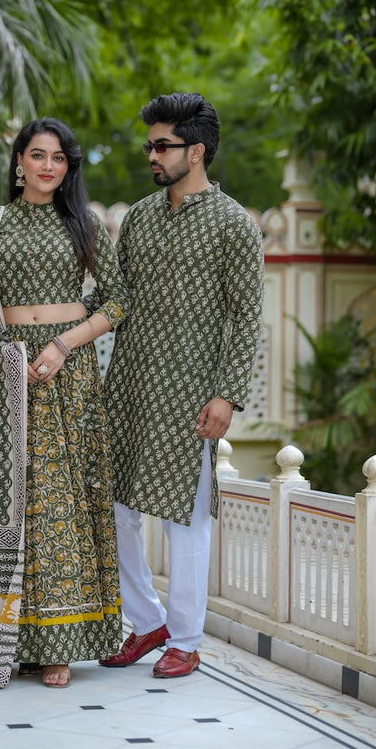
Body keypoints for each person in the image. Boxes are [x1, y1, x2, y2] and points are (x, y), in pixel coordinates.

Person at [0, 118, 129, 690]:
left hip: (67, 375)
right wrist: (4, 354)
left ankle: (58, 642)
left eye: (58, 158)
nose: (47, 166)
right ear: (18, 161)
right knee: (12, 506)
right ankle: (10, 639)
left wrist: (63, 345)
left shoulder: (84, 225)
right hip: (3, 377)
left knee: (57, 508)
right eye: (37, 155)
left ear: (68, 168)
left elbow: (118, 301)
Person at [90, 92, 264, 678]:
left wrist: (227, 393)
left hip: (193, 394)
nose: (152, 155)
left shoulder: (236, 225)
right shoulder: (138, 217)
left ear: (196, 151)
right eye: (149, 145)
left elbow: (245, 316)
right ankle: (147, 622)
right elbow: (114, 298)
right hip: (130, 386)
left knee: (186, 519)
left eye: (162, 145)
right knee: (114, 511)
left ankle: (186, 638)